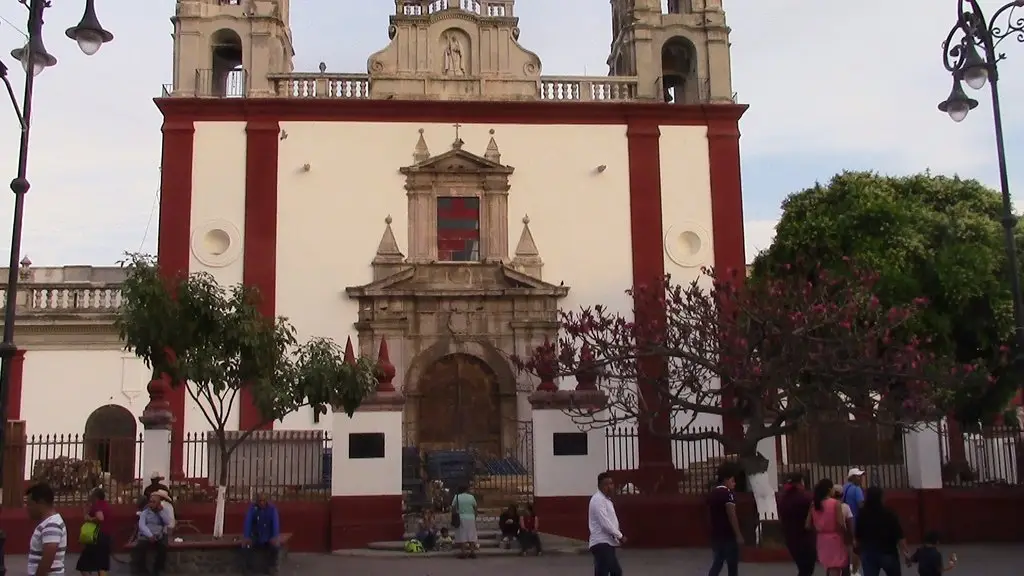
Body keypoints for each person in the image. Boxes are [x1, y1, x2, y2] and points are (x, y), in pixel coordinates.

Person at [854, 486, 908, 576]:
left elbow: (858, 535)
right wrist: (905, 552)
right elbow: (899, 534)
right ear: (881, 497)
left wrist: (856, 553)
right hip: (888, 551)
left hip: (869, 552)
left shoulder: (862, 513)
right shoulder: (889, 513)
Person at [807, 479, 848, 576]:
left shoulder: (814, 504)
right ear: (829, 490)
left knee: (828, 565)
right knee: (835, 566)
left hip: (821, 538)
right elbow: (840, 523)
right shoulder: (835, 503)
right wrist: (846, 534)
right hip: (835, 537)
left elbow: (807, 525)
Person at [707, 465, 743, 576]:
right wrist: (738, 534)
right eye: (732, 481)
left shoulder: (712, 494)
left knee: (717, 563)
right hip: (728, 535)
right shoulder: (728, 494)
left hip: (716, 534)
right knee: (732, 566)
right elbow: (731, 514)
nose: (734, 484)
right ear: (726, 480)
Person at [26, 482, 68, 576]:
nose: (28, 508)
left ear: (41, 503)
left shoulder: (51, 524)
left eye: (30, 504)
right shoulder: (49, 523)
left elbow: (48, 557)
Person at [778, 472, 815, 576]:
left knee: (803, 568)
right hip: (804, 538)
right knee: (807, 568)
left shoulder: (784, 498)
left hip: (790, 537)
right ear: (800, 482)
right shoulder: (804, 497)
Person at [589, 471, 625, 576]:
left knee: (602, 572)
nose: (609, 487)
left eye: (611, 484)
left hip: (607, 542)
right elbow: (605, 523)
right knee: (615, 572)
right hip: (601, 542)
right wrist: (620, 536)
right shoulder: (598, 500)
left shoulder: (606, 500)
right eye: (606, 484)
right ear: (599, 486)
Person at [136, 491, 175, 575]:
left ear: (158, 503)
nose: (151, 504)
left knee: (163, 548)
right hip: (147, 535)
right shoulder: (145, 512)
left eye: (154, 502)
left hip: (159, 535)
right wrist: (150, 535)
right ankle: (141, 570)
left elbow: (167, 522)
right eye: (150, 502)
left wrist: (161, 512)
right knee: (140, 547)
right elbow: (142, 525)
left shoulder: (163, 511)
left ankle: (157, 569)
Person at [77, 487, 112, 575]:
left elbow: (100, 518)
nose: (89, 496)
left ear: (95, 496)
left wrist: (89, 518)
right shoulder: (106, 505)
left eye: (91, 495)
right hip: (106, 537)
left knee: (83, 565)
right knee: (101, 566)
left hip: (96, 537)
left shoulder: (97, 505)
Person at [242, 493, 281, 574]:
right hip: (255, 535)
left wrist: (274, 536)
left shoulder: (272, 509)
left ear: (266, 501)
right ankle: (249, 569)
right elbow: (248, 522)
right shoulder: (253, 509)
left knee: (275, 547)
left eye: (263, 500)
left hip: (268, 535)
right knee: (246, 547)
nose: (262, 503)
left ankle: (272, 566)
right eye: (260, 501)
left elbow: (275, 523)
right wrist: (247, 537)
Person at [452, 485, 479, 559]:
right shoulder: (471, 497)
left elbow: (453, 507)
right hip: (471, 517)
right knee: (472, 535)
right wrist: (474, 516)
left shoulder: (457, 497)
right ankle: (472, 552)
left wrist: (454, 516)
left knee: (462, 535)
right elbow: (475, 508)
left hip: (461, 517)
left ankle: (463, 552)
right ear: (466, 490)